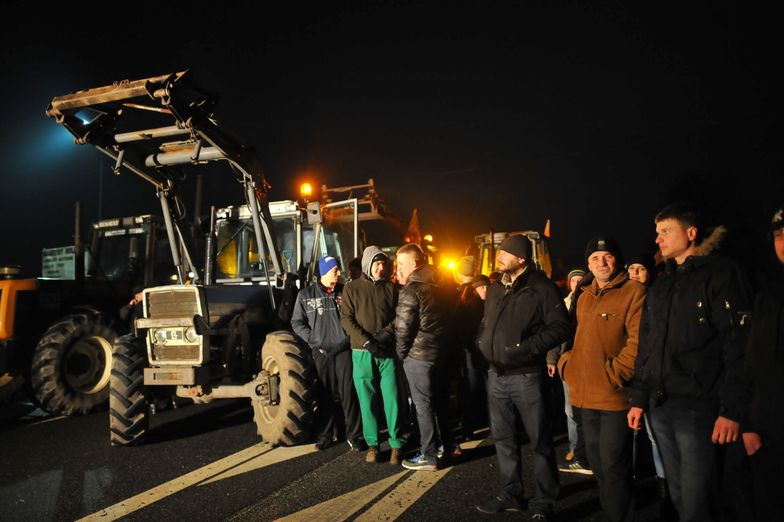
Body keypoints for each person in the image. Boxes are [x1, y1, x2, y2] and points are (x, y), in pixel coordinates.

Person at [627, 202, 753, 522]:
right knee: (680, 495)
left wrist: (731, 410)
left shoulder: (720, 273)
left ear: (691, 233)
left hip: (700, 406)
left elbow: (739, 344)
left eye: (666, 231)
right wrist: (639, 399)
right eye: (657, 233)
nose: (658, 239)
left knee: (701, 499)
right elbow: (648, 345)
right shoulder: (661, 283)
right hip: (661, 404)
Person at [475, 234, 572, 520]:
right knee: (503, 439)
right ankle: (511, 494)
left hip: (527, 377)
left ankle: (544, 501)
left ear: (521, 259)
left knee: (540, 440)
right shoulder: (494, 289)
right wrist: (481, 341)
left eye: (505, 253)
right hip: (496, 377)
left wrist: (526, 348)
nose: (499, 257)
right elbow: (486, 323)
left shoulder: (541, 288)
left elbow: (560, 327)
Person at [558, 237, 645, 522]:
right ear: (588, 265)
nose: (601, 262)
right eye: (595, 258)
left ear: (617, 259)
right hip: (584, 395)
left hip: (614, 396)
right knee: (596, 464)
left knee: (614, 467)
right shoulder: (583, 294)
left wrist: (614, 375)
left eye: (607, 256)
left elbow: (638, 343)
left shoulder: (634, 292)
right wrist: (565, 365)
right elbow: (571, 337)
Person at [291, 255, 362, 451]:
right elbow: (297, 322)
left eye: (338, 270)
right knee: (324, 394)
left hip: (344, 351)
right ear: (324, 272)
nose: (339, 273)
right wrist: (314, 340)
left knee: (349, 393)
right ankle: (325, 435)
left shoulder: (345, 292)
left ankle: (355, 436)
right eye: (335, 270)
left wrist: (348, 338)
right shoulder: (306, 295)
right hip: (321, 352)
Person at [340, 246, 404, 465]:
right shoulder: (352, 288)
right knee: (367, 401)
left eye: (383, 264)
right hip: (362, 353)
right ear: (367, 264)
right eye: (377, 264)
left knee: (393, 399)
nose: (381, 268)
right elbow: (347, 319)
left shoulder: (391, 289)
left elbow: (399, 316)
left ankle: (396, 445)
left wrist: (385, 335)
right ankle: (373, 445)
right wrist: (367, 341)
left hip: (387, 351)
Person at [395, 243, 455, 471]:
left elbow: (403, 329)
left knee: (423, 406)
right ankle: (448, 446)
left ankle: (429, 455)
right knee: (439, 403)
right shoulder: (440, 285)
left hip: (418, 357)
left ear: (412, 263)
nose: (397, 268)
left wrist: (402, 355)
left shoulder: (411, 290)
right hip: (440, 354)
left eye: (400, 264)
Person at [741, 203, 784, 521]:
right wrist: (749, 426)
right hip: (768, 434)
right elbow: (754, 363)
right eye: (779, 235)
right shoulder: (767, 297)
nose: (783, 243)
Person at [546, 268, 586, 468]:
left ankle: (587, 450)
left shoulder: (590, 300)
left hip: (587, 362)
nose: (577, 283)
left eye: (581, 279)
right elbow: (556, 335)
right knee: (570, 408)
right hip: (568, 361)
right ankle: (574, 447)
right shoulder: (564, 305)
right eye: (573, 280)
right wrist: (552, 359)